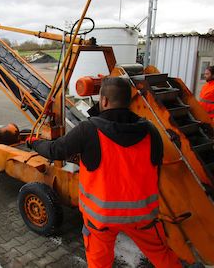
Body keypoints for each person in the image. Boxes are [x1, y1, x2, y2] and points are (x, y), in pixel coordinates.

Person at [29, 77, 182, 268]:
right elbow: (154, 168)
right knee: (164, 257)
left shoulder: (88, 130)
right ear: (128, 101)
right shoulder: (151, 131)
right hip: (142, 217)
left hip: (101, 219)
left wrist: (34, 142)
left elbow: (55, 150)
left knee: (99, 263)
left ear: (104, 101)